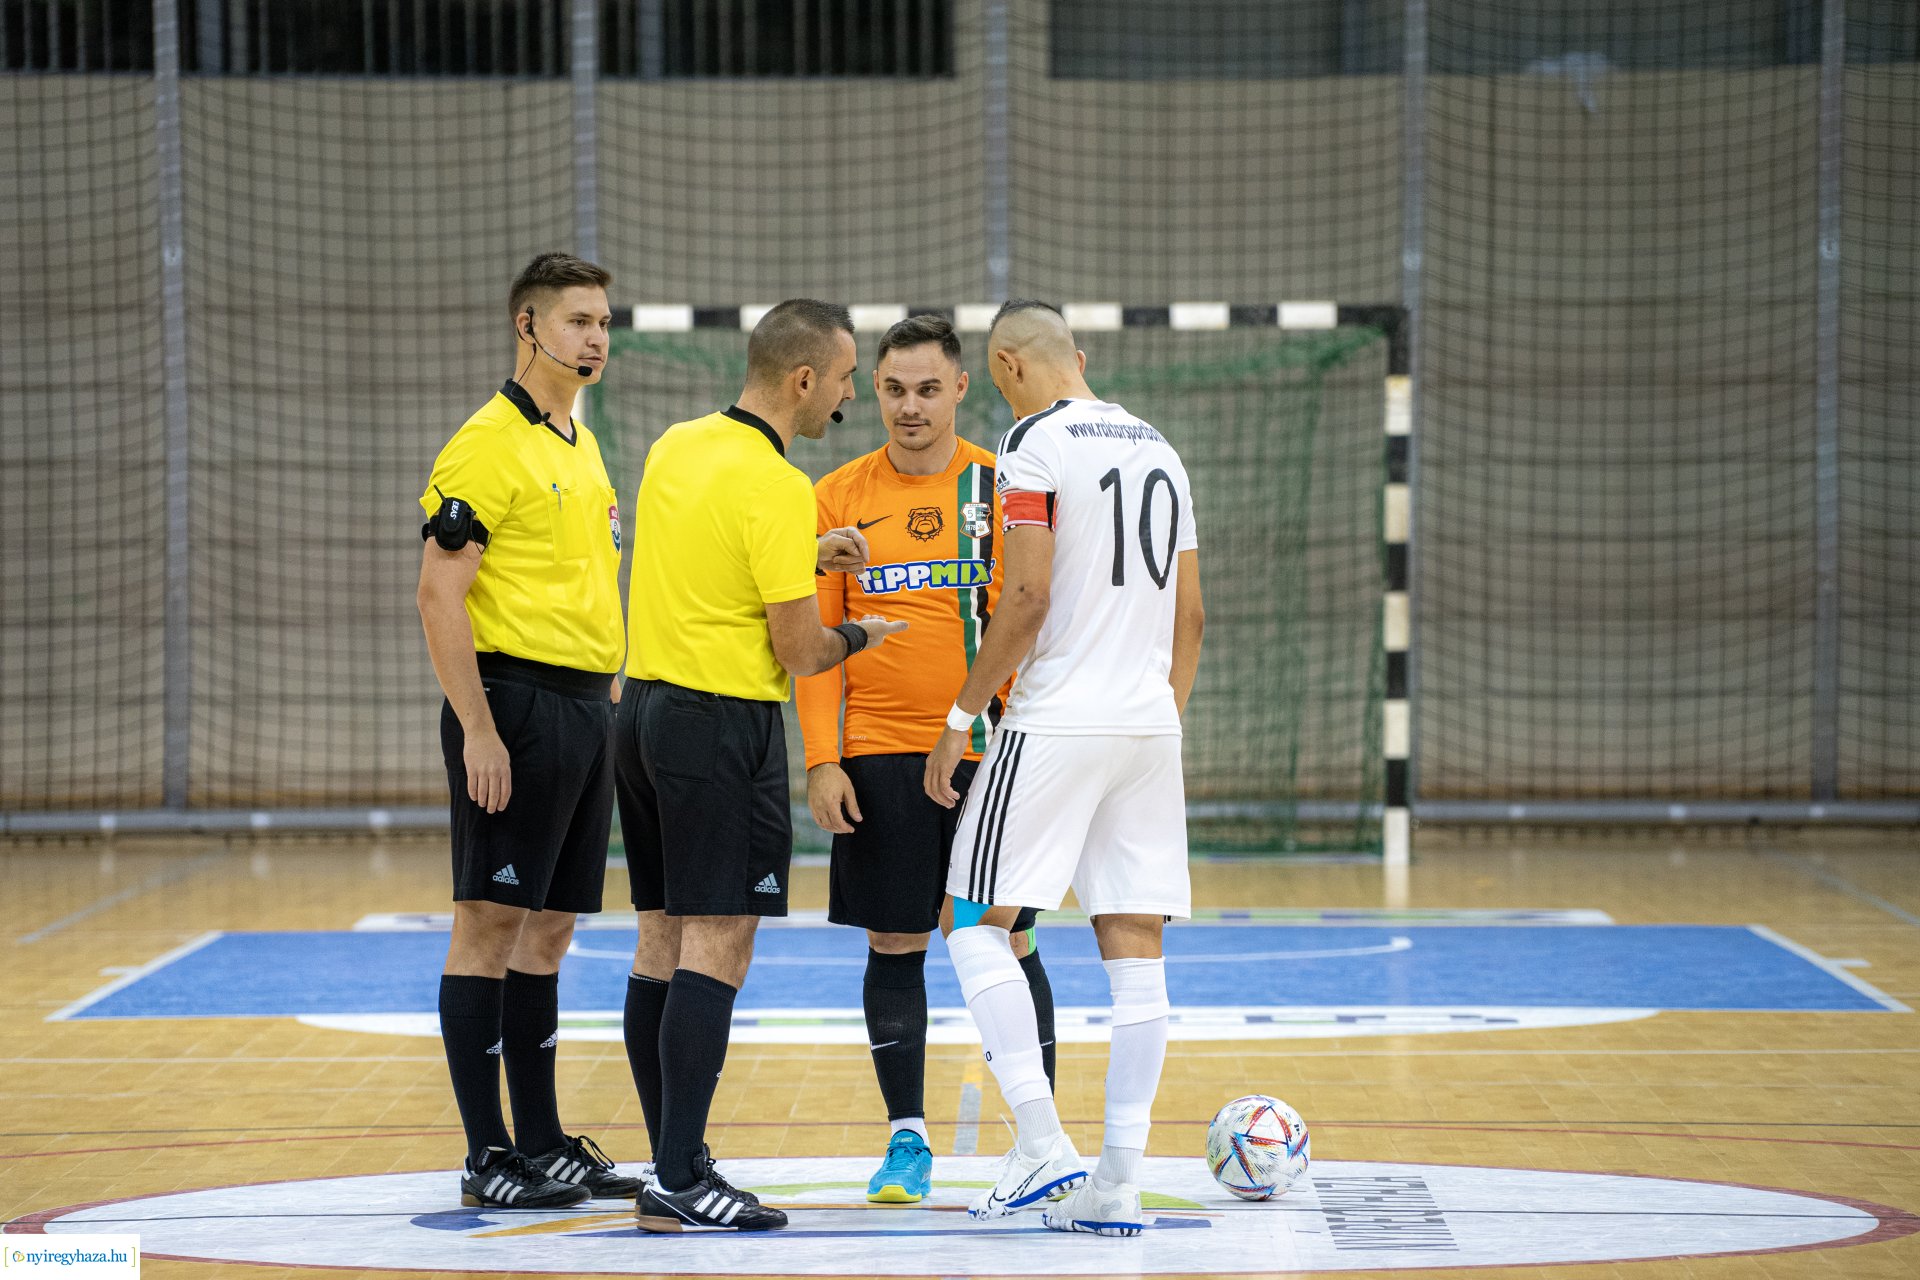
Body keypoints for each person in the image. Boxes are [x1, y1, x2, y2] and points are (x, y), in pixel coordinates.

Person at [617, 298, 906, 1233]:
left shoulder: (677, 445)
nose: (853, 397)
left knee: (659, 939)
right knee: (720, 942)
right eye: (851, 377)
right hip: (719, 726)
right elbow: (802, 650)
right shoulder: (780, 484)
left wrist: (803, 550)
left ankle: (673, 1158)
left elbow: (711, 559)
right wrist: (865, 627)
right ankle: (678, 1180)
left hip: (646, 713)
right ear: (803, 380)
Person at [923, 300, 1206, 1238]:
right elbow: (1192, 618)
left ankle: (1042, 1145)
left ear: (1005, 365)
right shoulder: (1162, 448)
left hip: (1054, 724)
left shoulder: (1031, 444)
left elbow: (1028, 593)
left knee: (970, 919)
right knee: (1137, 958)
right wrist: (1155, 719)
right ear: (1076, 356)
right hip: (1148, 727)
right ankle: (1117, 1186)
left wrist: (963, 716)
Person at [795, 314, 1058, 1206]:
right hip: (878, 753)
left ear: (961, 390)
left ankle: (1041, 1138)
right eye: (894, 389)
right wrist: (823, 759)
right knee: (896, 938)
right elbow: (819, 646)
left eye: (929, 389)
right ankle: (907, 1140)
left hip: (990, 751)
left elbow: (1034, 616)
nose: (911, 407)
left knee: (1008, 935)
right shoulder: (834, 496)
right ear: (873, 390)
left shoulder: (1001, 484)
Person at [416, 252, 642, 1210]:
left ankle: (542, 1141)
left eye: (602, 321)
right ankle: (485, 1155)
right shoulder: (484, 445)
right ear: (529, 326)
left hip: (588, 710)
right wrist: (478, 728)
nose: (594, 337)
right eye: (577, 320)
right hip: (513, 706)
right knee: (488, 923)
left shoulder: (579, 444)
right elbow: (438, 596)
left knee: (549, 931)